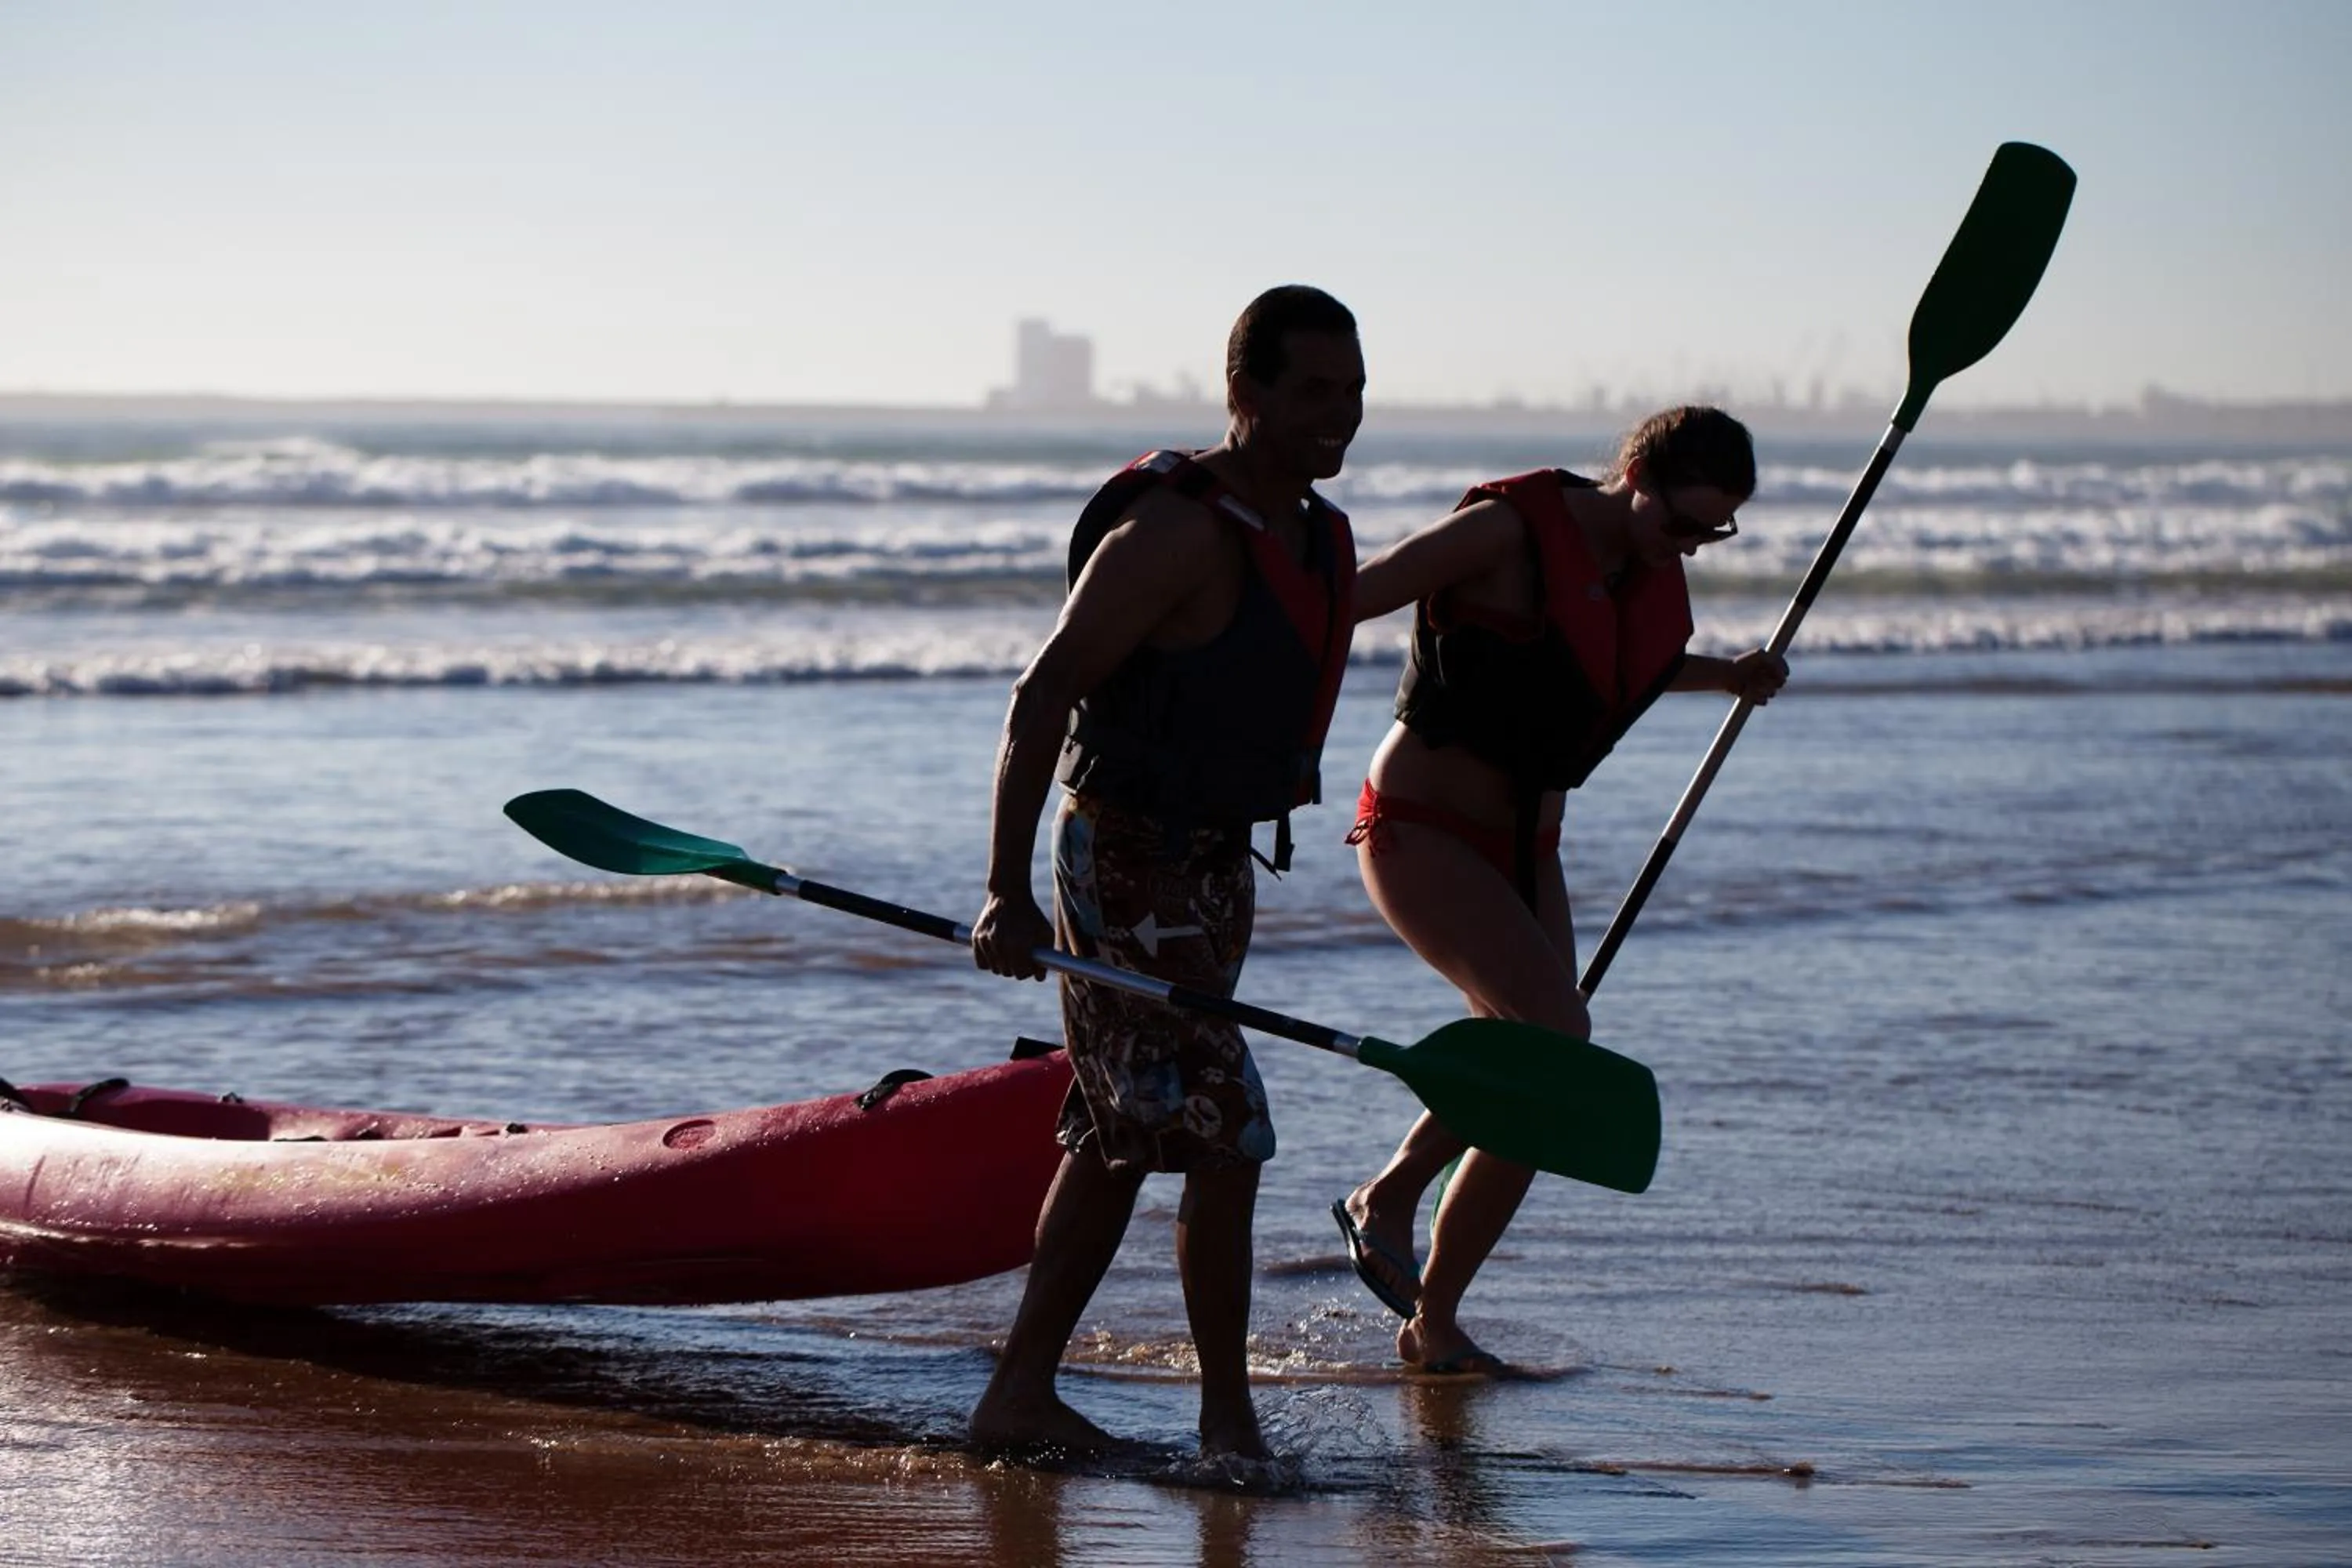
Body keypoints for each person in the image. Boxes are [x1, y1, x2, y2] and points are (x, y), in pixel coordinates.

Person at [967, 285, 1364, 1461]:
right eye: (1311, 394)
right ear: (1243, 395)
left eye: (1352, 393)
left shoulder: (1313, 533)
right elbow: (1040, 700)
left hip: (1215, 865)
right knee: (1225, 1135)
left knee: (1114, 1132)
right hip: (1124, 861)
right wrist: (1005, 886)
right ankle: (1229, 1426)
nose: (1337, 417)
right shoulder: (1178, 535)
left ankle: (1018, 1397)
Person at [1329, 405, 1787, 1375]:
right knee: (1557, 1043)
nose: (1692, 548)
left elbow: (1614, 668)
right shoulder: (1505, 530)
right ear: (1635, 478)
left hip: (1530, 849)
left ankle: (1434, 1319)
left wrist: (1729, 677)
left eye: (1715, 534)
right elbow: (1348, 599)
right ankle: (1391, 1194)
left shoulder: (1640, 569)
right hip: (1420, 827)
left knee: (1539, 1077)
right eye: (1683, 525)